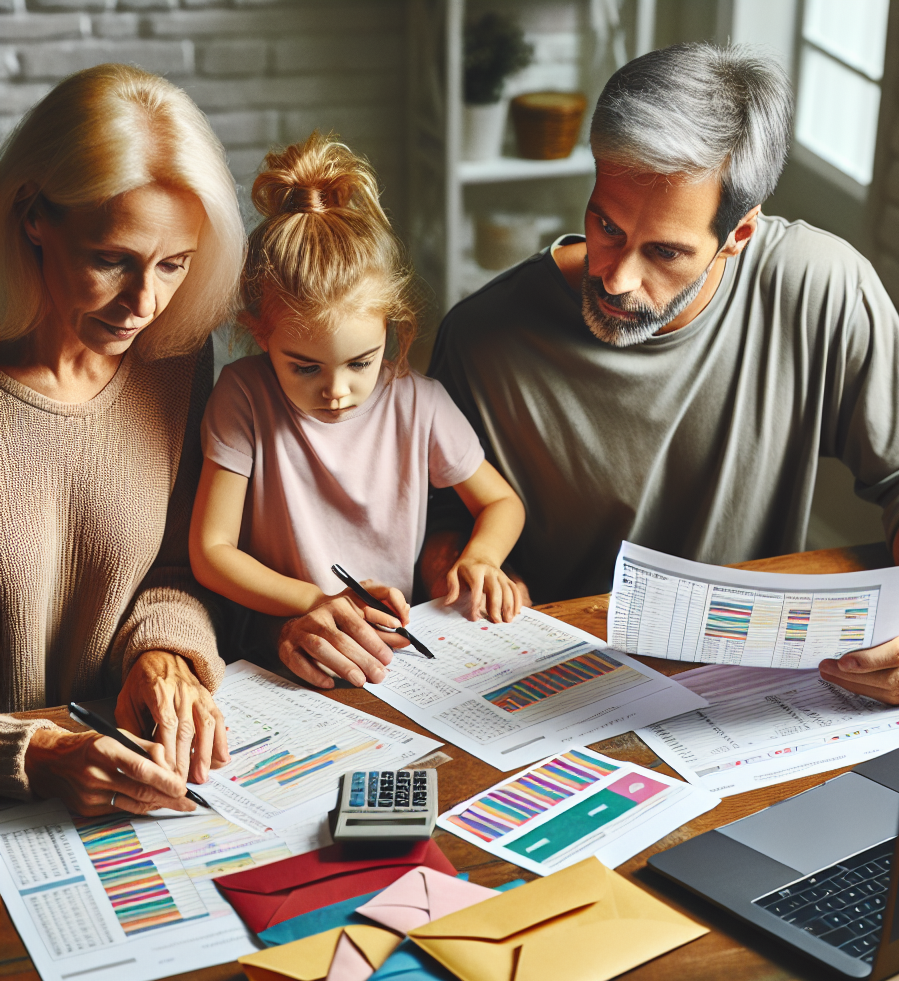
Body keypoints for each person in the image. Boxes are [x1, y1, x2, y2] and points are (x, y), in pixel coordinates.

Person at [421, 44, 899, 706]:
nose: (617, 276)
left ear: (739, 234)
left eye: (665, 251)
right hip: (556, 688)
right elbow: (433, 519)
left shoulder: (818, 286)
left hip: (749, 694)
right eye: (606, 225)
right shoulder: (479, 336)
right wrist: (454, 568)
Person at [189, 133, 525, 691]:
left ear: (392, 324)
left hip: (392, 654)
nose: (337, 391)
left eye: (361, 362)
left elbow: (500, 501)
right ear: (260, 334)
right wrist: (316, 599)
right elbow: (210, 551)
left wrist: (482, 559)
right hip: (275, 656)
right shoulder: (242, 397)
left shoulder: (419, 401)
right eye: (304, 368)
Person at [0, 65, 248, 810]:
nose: (145, 303)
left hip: (123, 793)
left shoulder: (172, 359)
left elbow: (175, 562)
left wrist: (164, 650)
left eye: (174, 264)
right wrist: (34, 754)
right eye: (112, 260)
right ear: (33, 216)